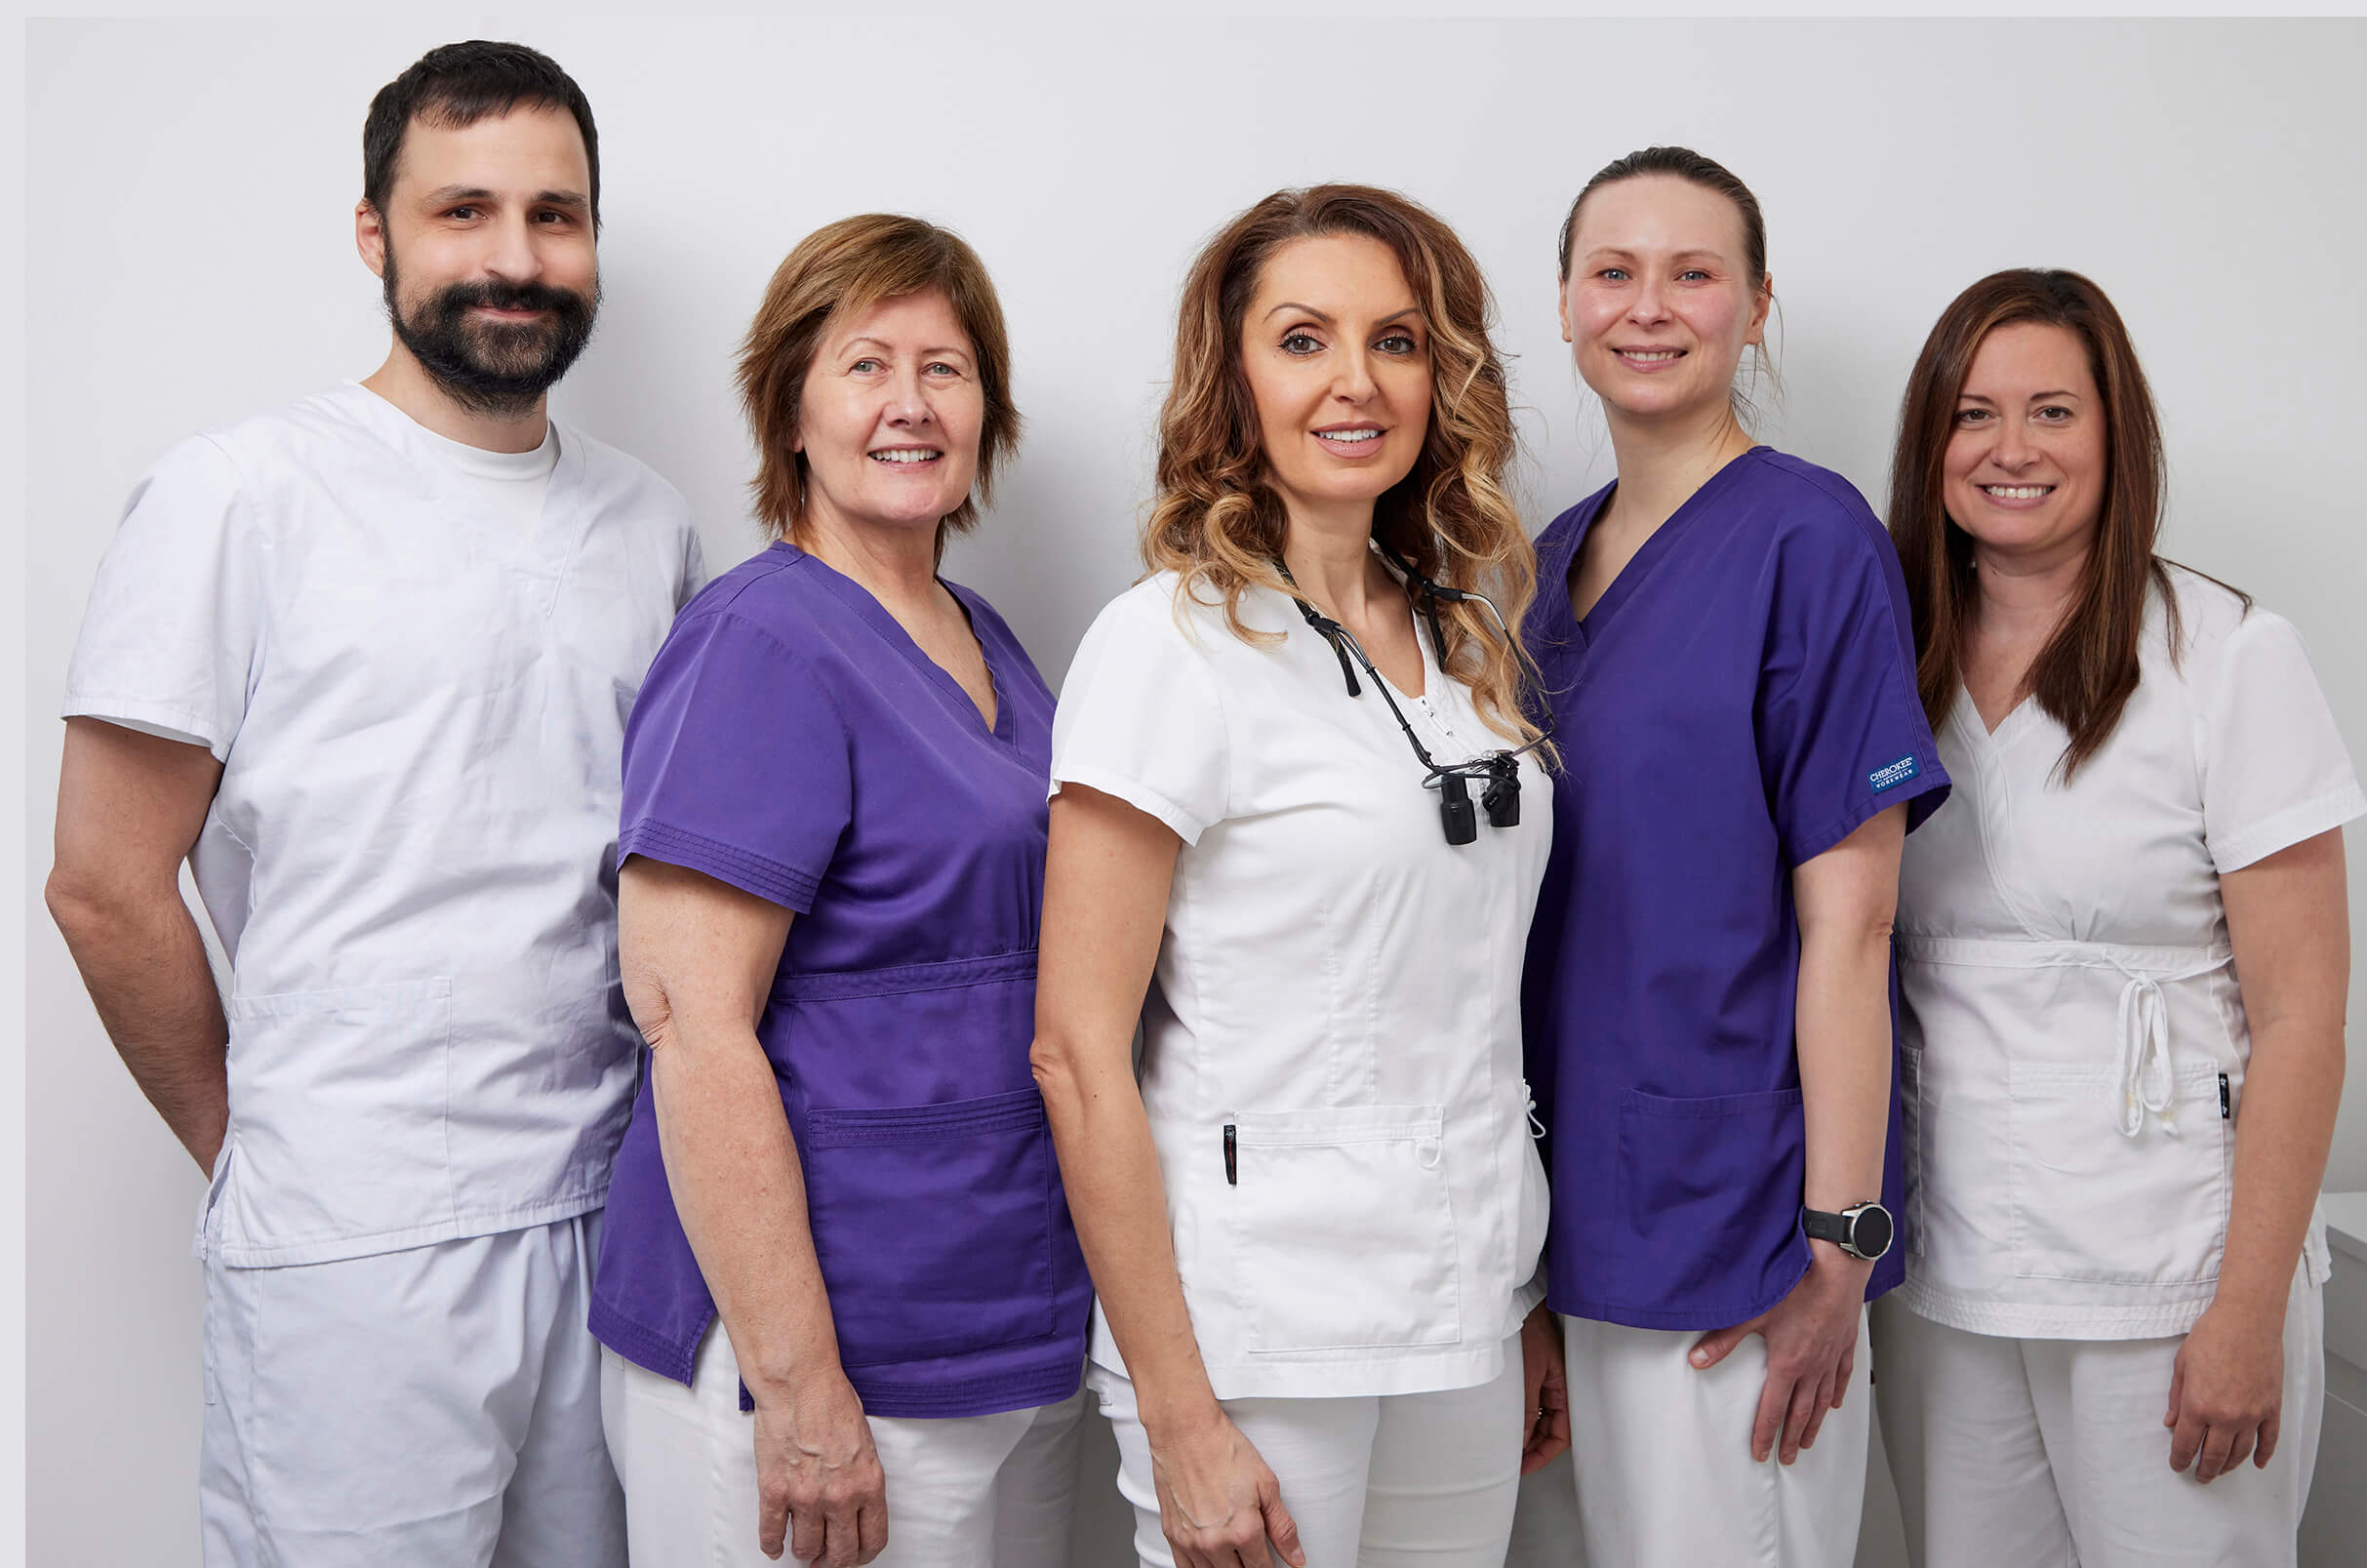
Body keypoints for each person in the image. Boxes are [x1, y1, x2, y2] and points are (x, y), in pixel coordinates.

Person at [44, 41, 702, 1568]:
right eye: (462, 210)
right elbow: (103, 882)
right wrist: (262, 1149)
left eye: (554, 215)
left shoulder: (649, 524)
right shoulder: (240, 496)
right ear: (373, 234)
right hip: (353, 1241)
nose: (515, 257)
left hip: (612, 1218)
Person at [1032, 184, 1566, 1568]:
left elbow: (1472, 1002)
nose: (1355, 381)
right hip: (1260, 1331)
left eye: (1396, 341)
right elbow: (1076, 1054)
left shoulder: (1465, 641)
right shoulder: (1167, 646)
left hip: (1465, 1307)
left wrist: (1517, 1300)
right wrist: (1177, 1416)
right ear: (1234, 379)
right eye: (1302, 339)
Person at [589, 214, 1092, 1568]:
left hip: (989, 1317)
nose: (910, 404)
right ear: (790, 410)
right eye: (866, 365)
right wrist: (800, 1392)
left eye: (946, 368)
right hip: (813, 1357)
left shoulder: (987, 640)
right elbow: (693, 1028)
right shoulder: (759, 643)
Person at [1870, 268, 2358, 1568]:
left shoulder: (2225, 655)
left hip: (2175, 1273)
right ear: (1929, 441)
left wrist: (2245, 1312)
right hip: (1955, 1270)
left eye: (2052, 412)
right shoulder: (1889, 658)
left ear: (2114, 432)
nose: (2011, 450)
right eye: (1973, 414)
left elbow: (2302, 1016)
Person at [1519, 145, 1950, 1567]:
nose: (1648, 306)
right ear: (1567, 301)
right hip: (1575, 1212)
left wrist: (1840, 1242)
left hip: (1744, 1228)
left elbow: (1855, 926)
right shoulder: (1543, 566)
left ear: (1755, 306)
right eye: (1613, 271)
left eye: (1692, 273)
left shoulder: (1809, 540)